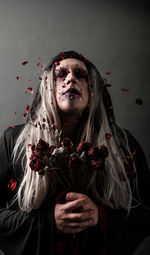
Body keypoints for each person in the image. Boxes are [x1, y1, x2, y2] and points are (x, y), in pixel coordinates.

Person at [0, 50, 150, 255]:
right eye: (61, 74)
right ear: (47, 87)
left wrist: (100, 217)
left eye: (81, 75)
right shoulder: (14, 142)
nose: (70, 78)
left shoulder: (122, 144)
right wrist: (46, 221)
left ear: (93, 89)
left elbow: (145, 213)